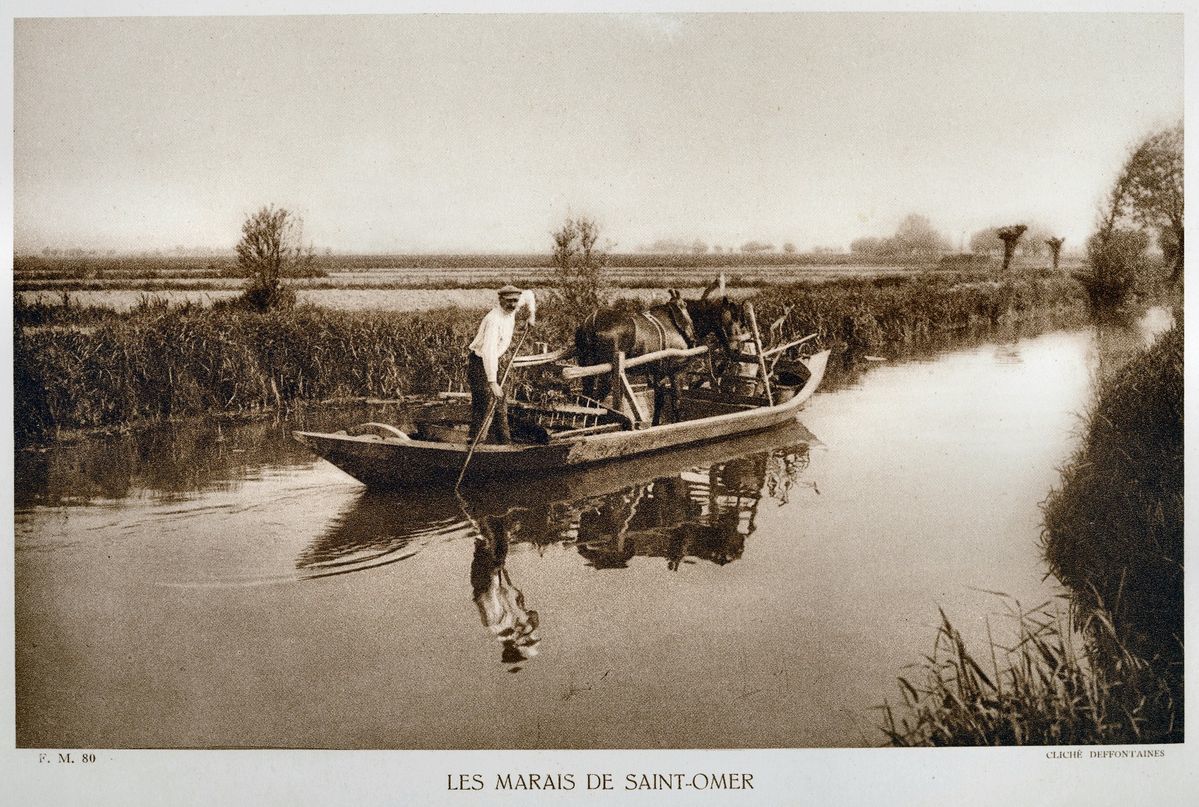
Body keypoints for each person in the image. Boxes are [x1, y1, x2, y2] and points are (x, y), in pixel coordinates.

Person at [467, 284, 535, 444]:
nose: (513, 305)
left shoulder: (514, 306)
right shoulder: (494, 320)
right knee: (484, 405)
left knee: (501, 405)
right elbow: (488, 352)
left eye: (515, 301)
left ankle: (504, 442)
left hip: (495, 361)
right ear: (500, 300)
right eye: (509, 301)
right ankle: (475, 444)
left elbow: (529, 294)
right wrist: (492, 382)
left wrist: (532, 315)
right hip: (480, 363)